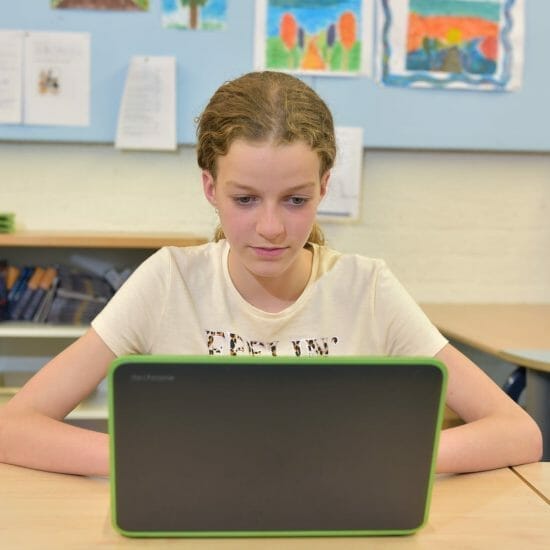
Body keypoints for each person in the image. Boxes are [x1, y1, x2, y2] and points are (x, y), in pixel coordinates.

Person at [0, 71, 542, 477]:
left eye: (296, 199)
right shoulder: (168, 281)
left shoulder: (367, 289)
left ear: (324, 187)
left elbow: (518, 433)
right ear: (210, 188)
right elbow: (13, 428)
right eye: (244, 198)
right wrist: (156, 461)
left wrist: (377, 459)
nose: (271, 227)